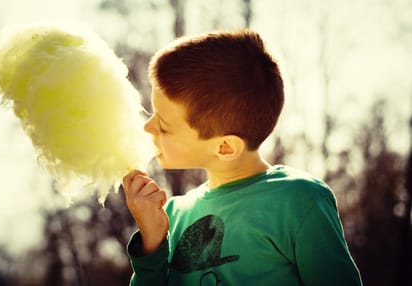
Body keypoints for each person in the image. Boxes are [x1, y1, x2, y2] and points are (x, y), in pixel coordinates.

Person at [122, 29, 362, 285]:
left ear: (225, 147)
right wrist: (152, 244)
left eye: (165, 125)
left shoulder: (299, 201)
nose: (148, 128)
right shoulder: (170, 217)